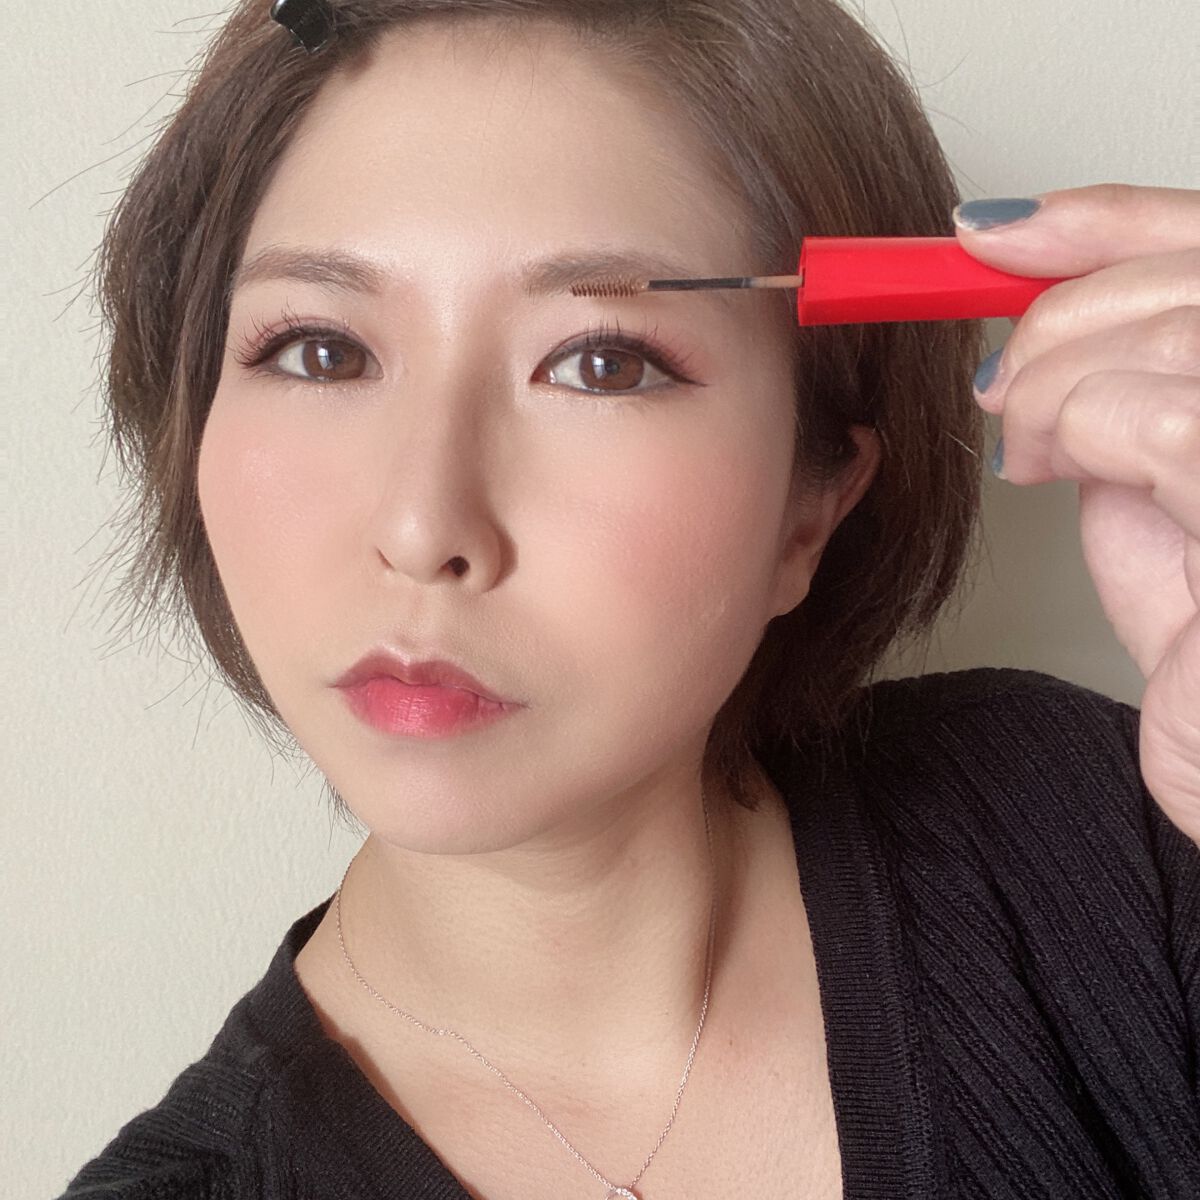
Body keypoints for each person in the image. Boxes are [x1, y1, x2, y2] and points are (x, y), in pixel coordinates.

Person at [57, 1, 1200, 1197]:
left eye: (601, 364)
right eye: (320, 351)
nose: (424, 528)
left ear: (811, 505)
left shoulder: (1105, 850)